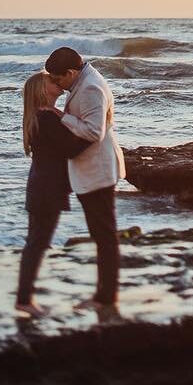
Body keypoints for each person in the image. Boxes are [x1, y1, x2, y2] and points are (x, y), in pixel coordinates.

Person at [45, 46, 127, 309]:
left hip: (98, 168)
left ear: (70, 72)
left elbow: (94, 132)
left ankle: (106, 297)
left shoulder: (91, 87)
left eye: (58, 79)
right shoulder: (86, 81)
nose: (58, 85)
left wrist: (62, 116)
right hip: (93, 167)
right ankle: (104, 295)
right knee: (101, 233)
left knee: (104, 234)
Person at [16, 71, 92, 316]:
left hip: (40, 185)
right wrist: (98, 131)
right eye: (51, 80)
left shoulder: (42, 116)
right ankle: (25, 300)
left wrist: (68, 118)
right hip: (47, 187)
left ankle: (25, 298)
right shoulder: (47, 118)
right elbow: (71, 149)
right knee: (38, 243)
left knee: (35, 242)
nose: (57, 82)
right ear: (42, 89)